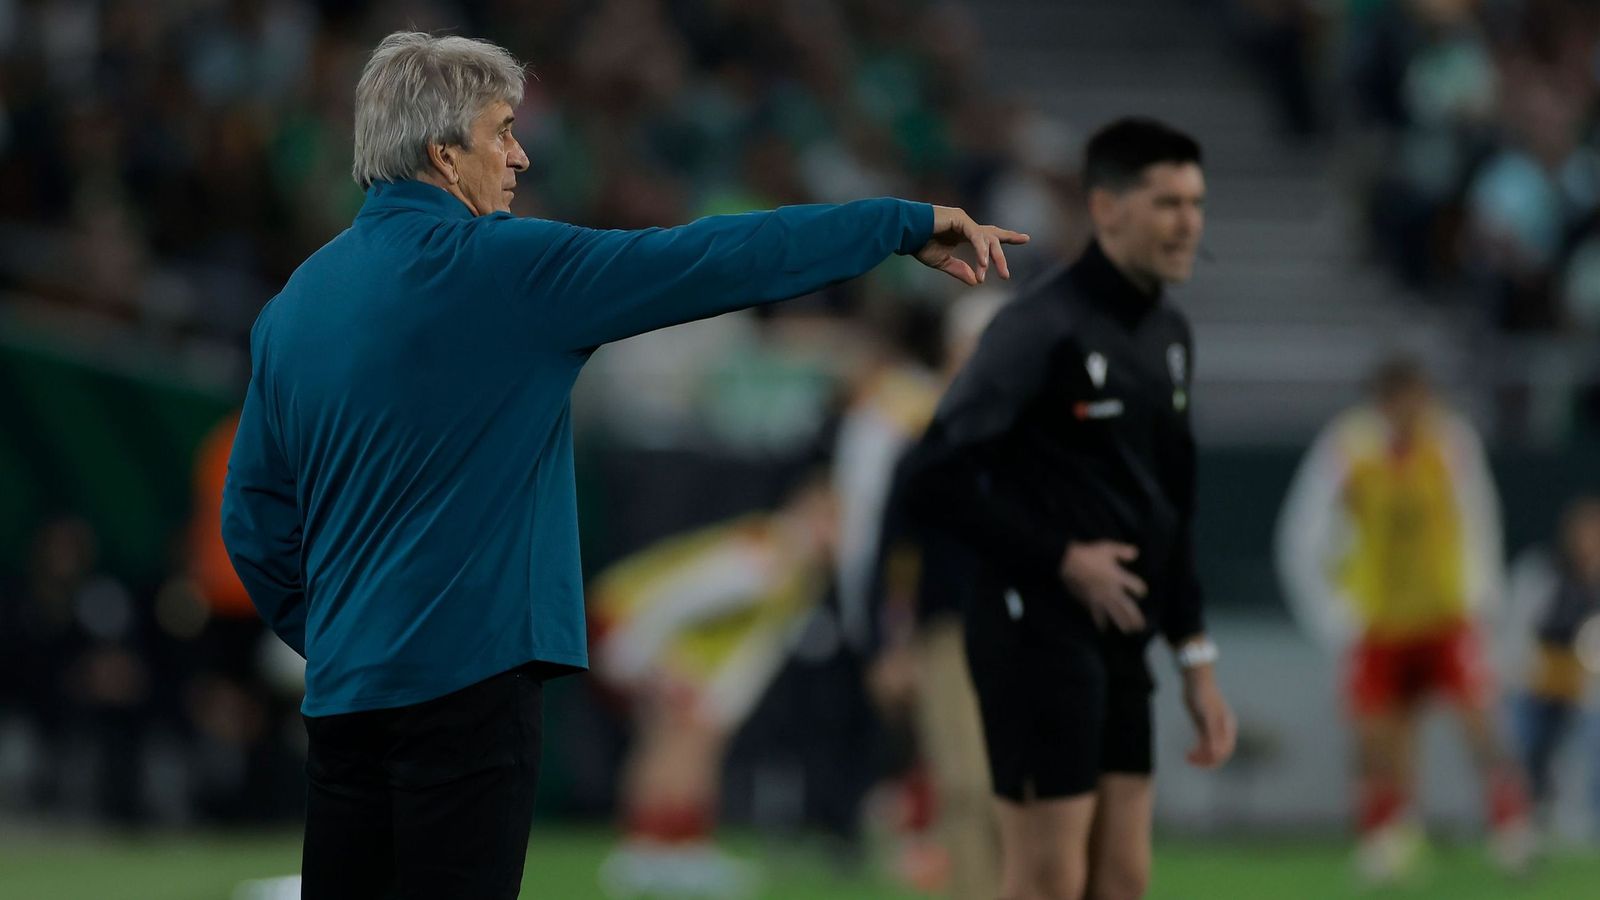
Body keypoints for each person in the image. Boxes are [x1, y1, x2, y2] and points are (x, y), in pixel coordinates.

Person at [218, 30, 1026, 900]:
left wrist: (339, 636)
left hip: (345, 696)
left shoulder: (293, 305)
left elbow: (253, 520)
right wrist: (900, 224)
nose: (522, 155)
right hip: (468, 685)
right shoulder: (507, 269)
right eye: (502, 131)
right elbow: (714, 258)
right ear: (444, 153)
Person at [901, 118, 1236, 900]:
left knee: (1122, 879)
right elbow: (932, 479)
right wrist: (1062, 558)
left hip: (1123, 635)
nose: (1188, 223)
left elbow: (1174, 504)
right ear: (1107, 208)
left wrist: (1194, 656)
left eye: (1196, 203)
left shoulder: (1170, 334)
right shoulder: (1035, 328)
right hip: (1033, 628)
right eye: (1167, 203)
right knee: (1050, 877)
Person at [1275, 356, 1532, 882]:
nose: (1413, 412)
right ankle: (1388, 834)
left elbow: (1479, 518)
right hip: (1380, 616)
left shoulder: (1451, 443)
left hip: (1445, 611)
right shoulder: (1346, 448)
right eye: (1401, 402)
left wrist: (1484, 599)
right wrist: (1331, 614)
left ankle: (1511, 826)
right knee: (1378, 733)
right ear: (1382, 403)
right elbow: (1304, 532)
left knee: (1481, 722)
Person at [590, 473, 837, 898]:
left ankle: (674, 849)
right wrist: (643, 655)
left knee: (690, 737)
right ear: (812, 513)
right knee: (679, 740)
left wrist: (722, 702)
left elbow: (754, 645)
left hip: (655, 636)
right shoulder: (768, 553)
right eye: (837, 522)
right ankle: (648, 852)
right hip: (631, 622)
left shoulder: (802, 571)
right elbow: (683, 597)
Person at [1508, 497, 1600, 837]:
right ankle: (1528, 811)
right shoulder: (1541, 571)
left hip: (1588, 690)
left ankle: (1594, 816)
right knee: (1522, 724)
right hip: (1540, 683)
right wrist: (1541, 674)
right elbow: (1518, 637)